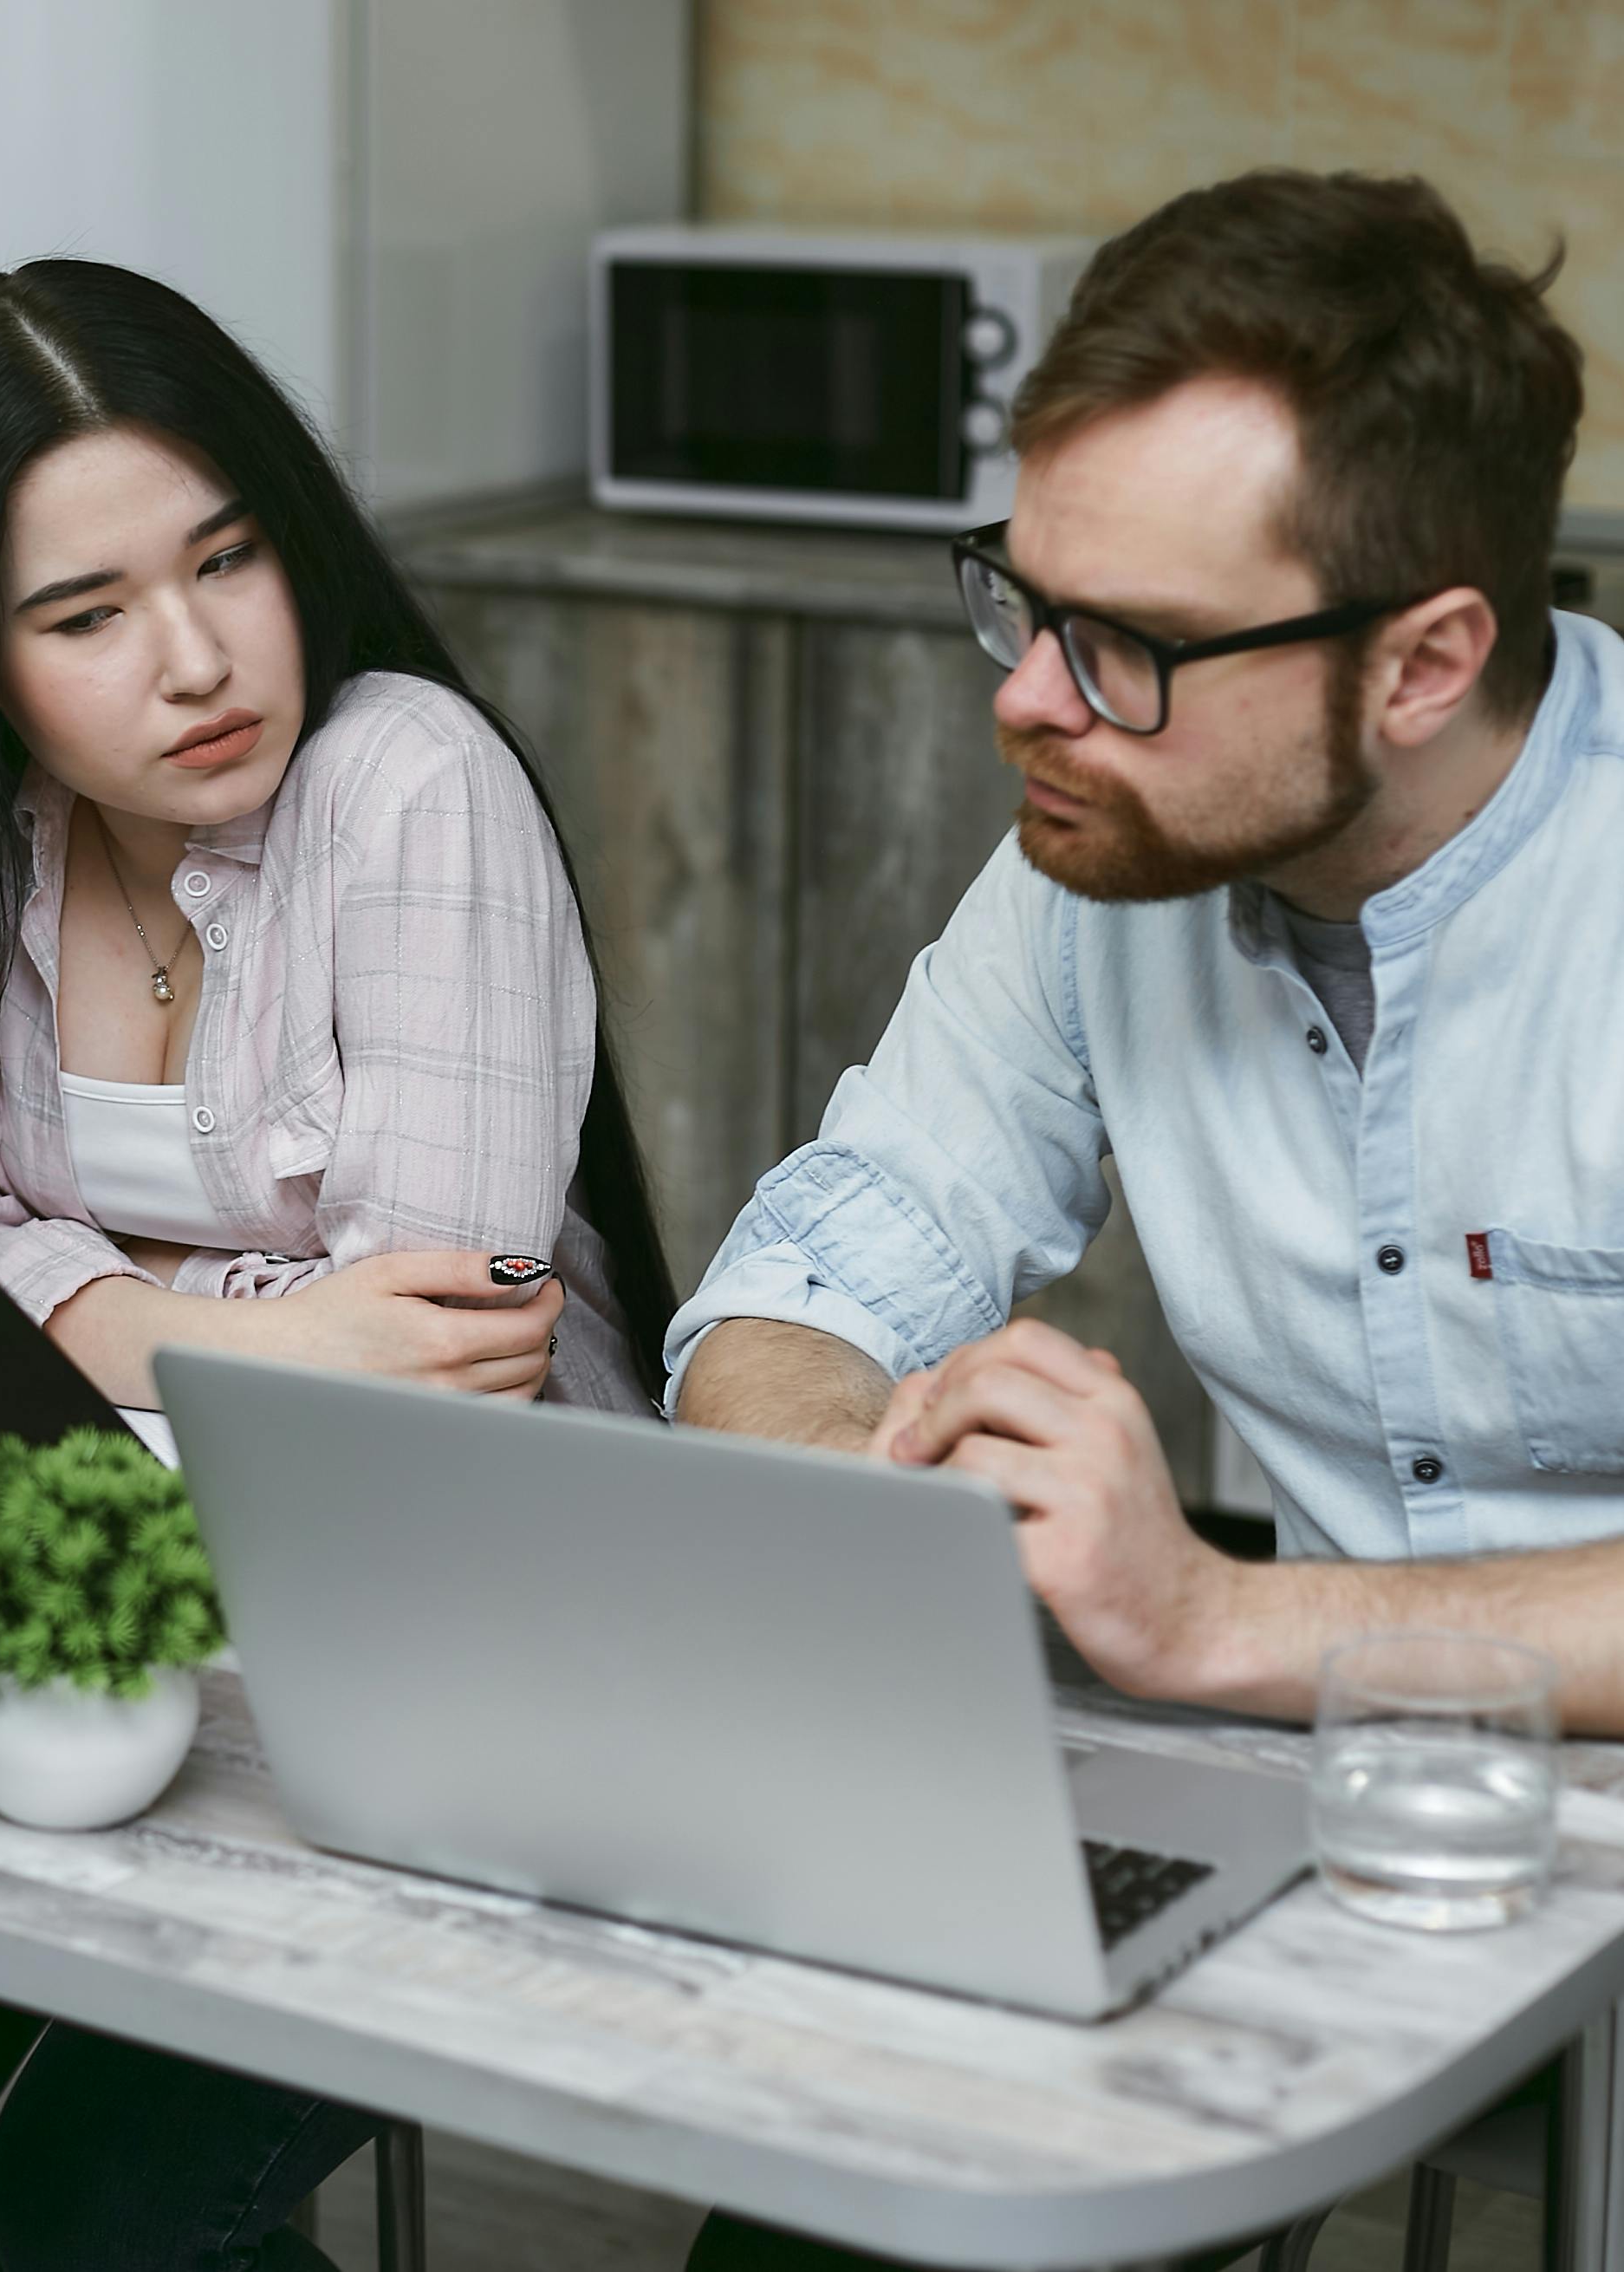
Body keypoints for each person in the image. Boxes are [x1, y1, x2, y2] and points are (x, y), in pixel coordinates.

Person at [666, 168, 1606, 2269]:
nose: (1025, 698)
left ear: (1424, 660)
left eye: (1131, 650)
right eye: (1021, 599)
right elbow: (799, 1284)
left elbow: (1207, 1632)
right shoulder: (1100, 866)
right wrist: (887, 1484)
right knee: (840, 2176)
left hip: (1415, 1753)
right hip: (1302, 1800)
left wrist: (1210, 1626)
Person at [0, 258, 683, 2272]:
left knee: (93, 2213)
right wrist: (227, 1318)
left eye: (226, 560)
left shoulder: (408, 782)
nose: (194, 658)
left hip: (477, 1678)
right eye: (83, 617)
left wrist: (46, 1364)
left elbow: (436, 1367)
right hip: (119, 1648)